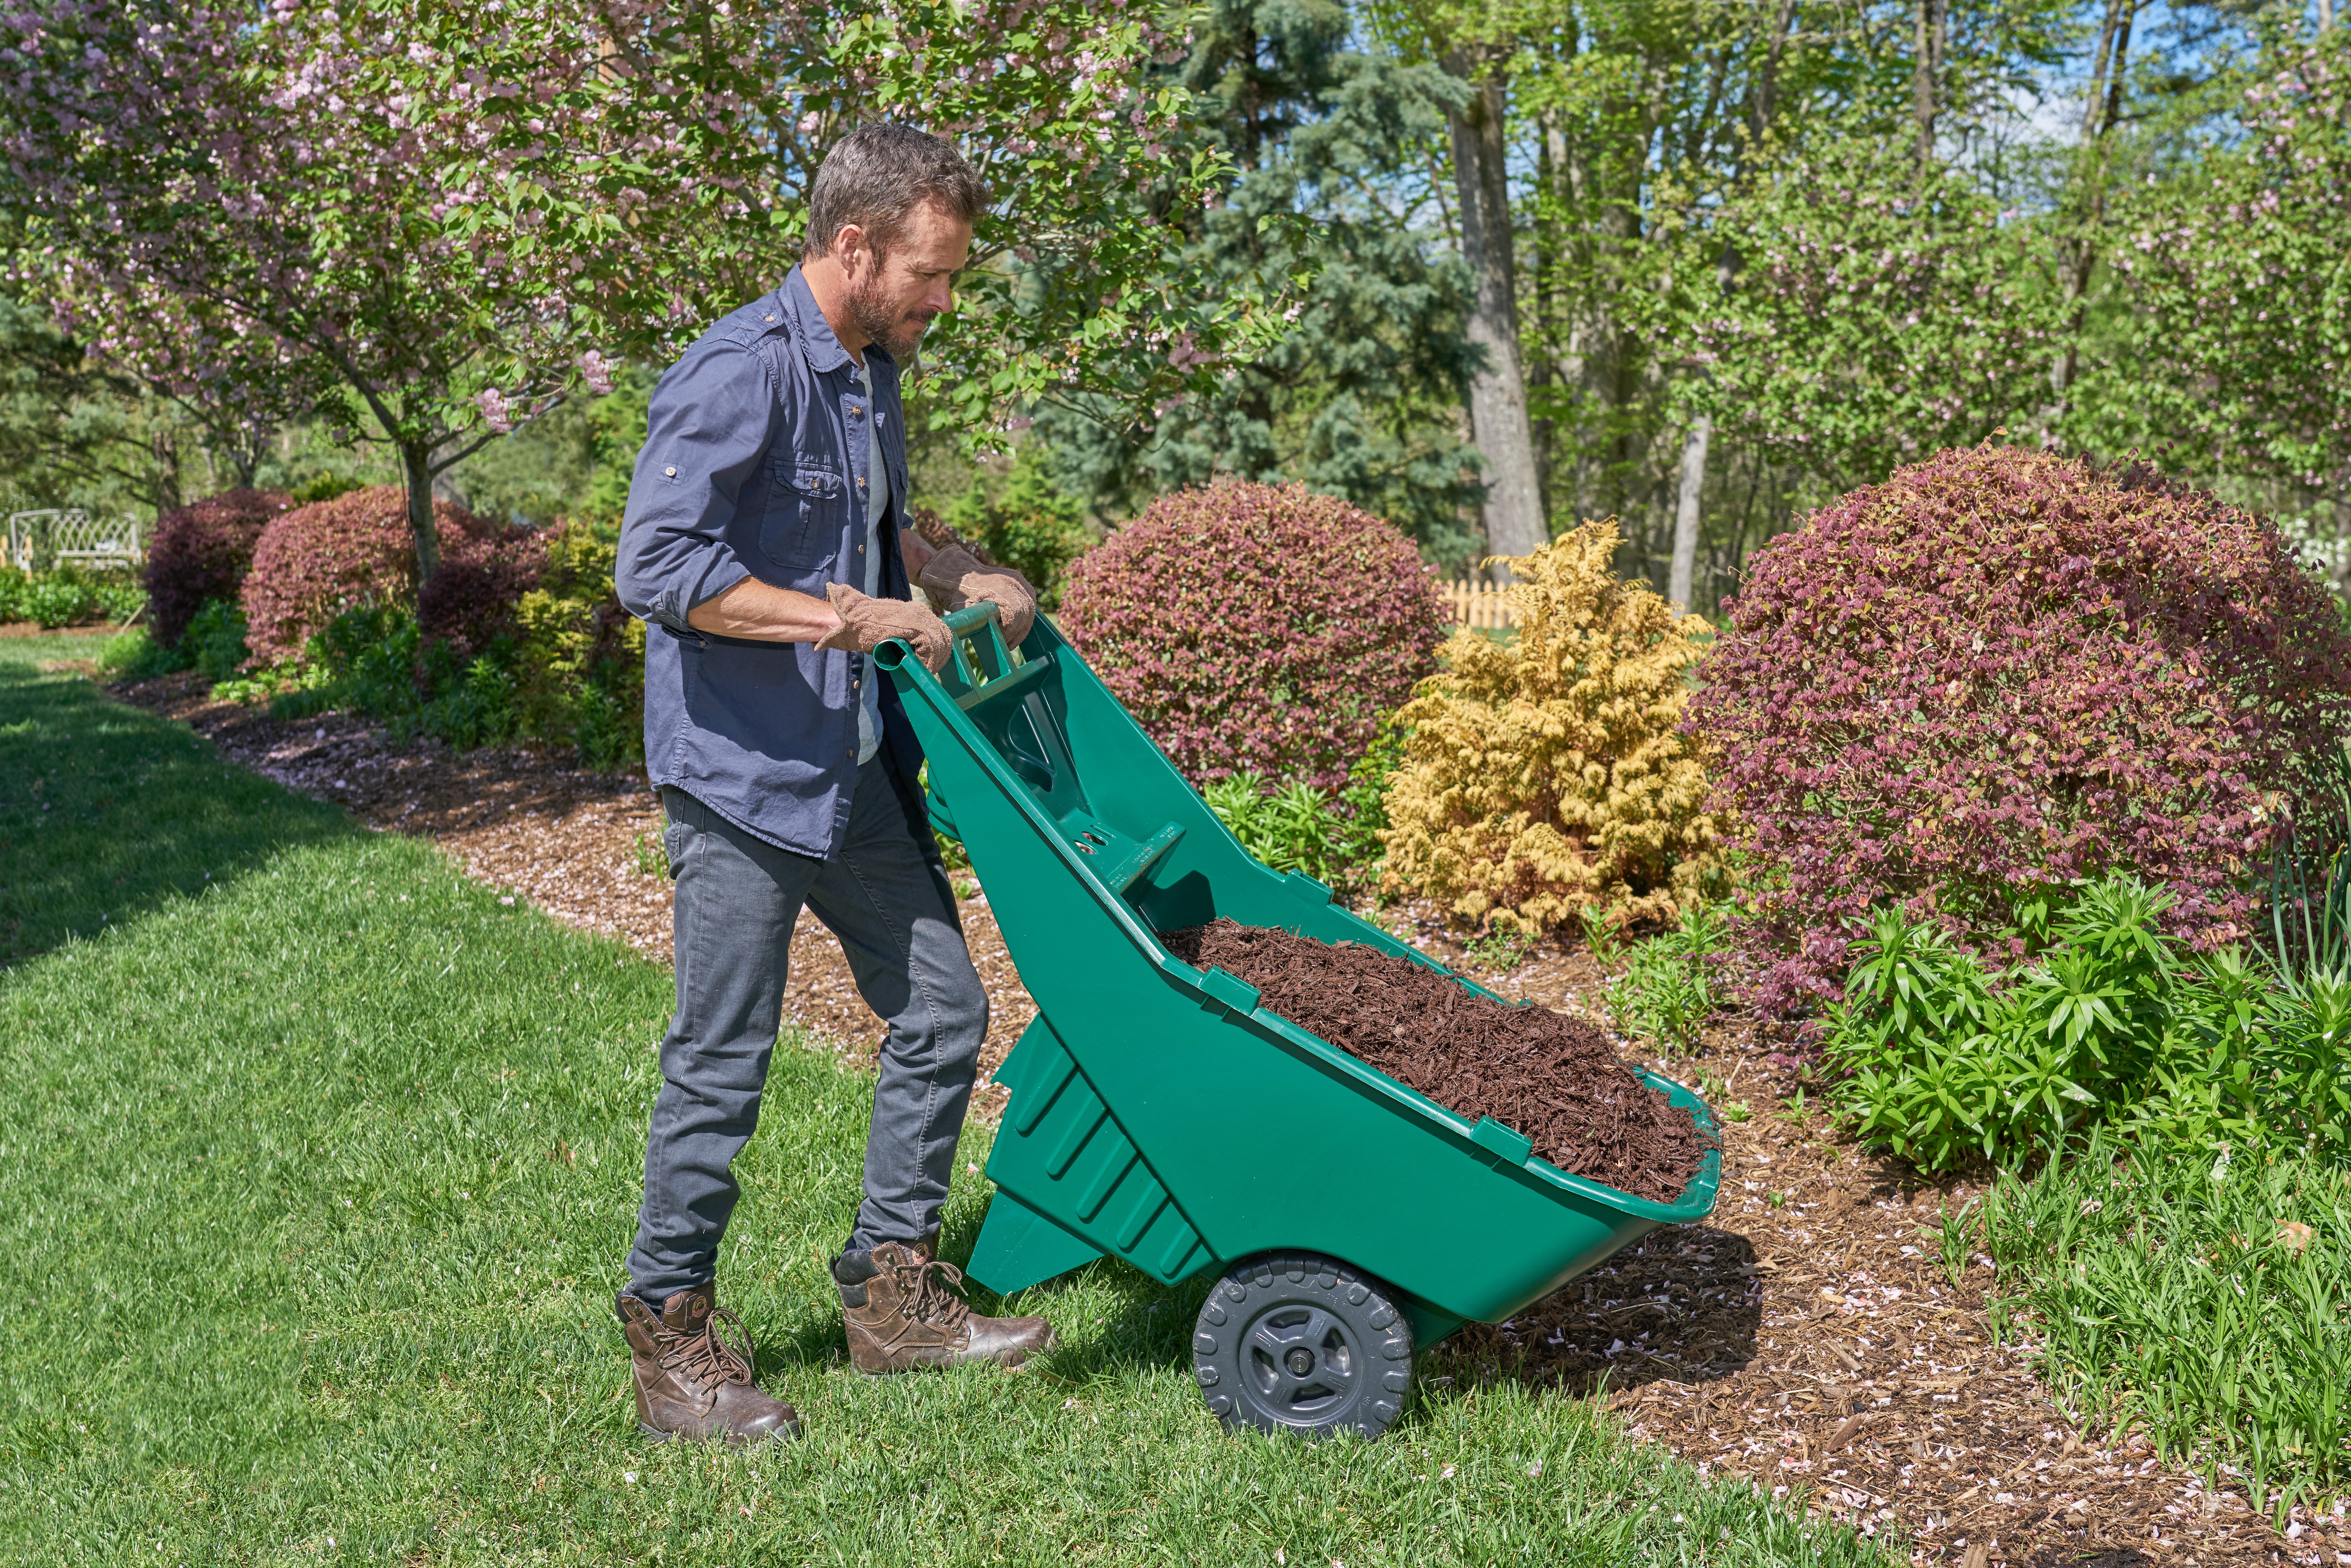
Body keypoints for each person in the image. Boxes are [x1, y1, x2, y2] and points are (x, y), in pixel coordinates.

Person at [610, 124, 1050, 1446]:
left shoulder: (872, 370)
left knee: (943, 1010)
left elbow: (875, 528)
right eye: (927, 271)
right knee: (720, 1065)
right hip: (741, 785)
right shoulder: (739, 372)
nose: (942, 299)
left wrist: (956, 571)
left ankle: (890, 1296)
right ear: (852, 246)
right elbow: (657, 567)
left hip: (848, 774)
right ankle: (670, 1340)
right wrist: (843, 621)